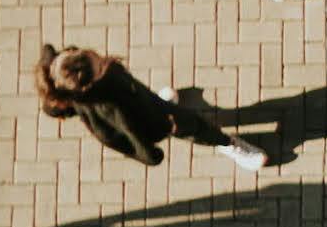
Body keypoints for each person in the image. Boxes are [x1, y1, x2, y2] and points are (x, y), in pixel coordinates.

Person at [36, 42, 270, 173]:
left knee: (155, 101)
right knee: (192, 127)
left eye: (89, 54)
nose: (100, 58)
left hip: (142, 98)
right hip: (157, 118)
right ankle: (226, 144)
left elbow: (53, 106)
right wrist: (149, 154)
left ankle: (164, 103)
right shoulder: (110, 106)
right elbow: (125, 134)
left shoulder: (59, 72)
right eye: (98, 64)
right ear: (88, 86)